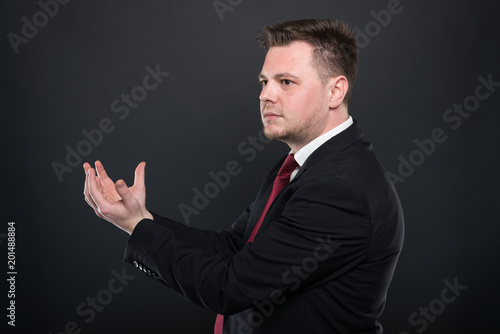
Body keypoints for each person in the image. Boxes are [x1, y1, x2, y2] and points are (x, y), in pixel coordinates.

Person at [83, 19, 404, 334]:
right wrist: (141, 218)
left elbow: (228, 286)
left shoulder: (338, 189)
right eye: (264, 82)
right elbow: (236, 246)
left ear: (335, 91)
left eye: (286, 82)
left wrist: (136, 229)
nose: (266, 95)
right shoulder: (302, 165)